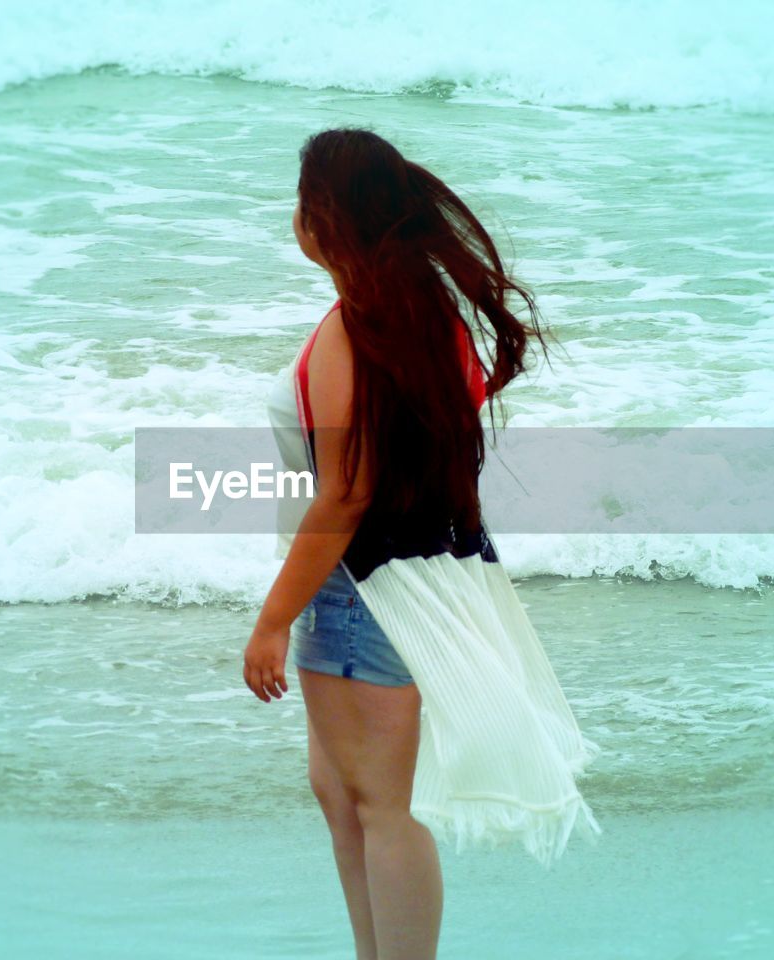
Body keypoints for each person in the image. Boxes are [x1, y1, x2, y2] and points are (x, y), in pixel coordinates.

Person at [245, 127, 600, 960]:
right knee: (344, 793)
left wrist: (269, 620)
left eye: (303, 203)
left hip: (359, 587)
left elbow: (346, 492)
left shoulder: (356, 330)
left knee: (376, 805)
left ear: (324, 220)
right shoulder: (421, 313)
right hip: (404, 576)